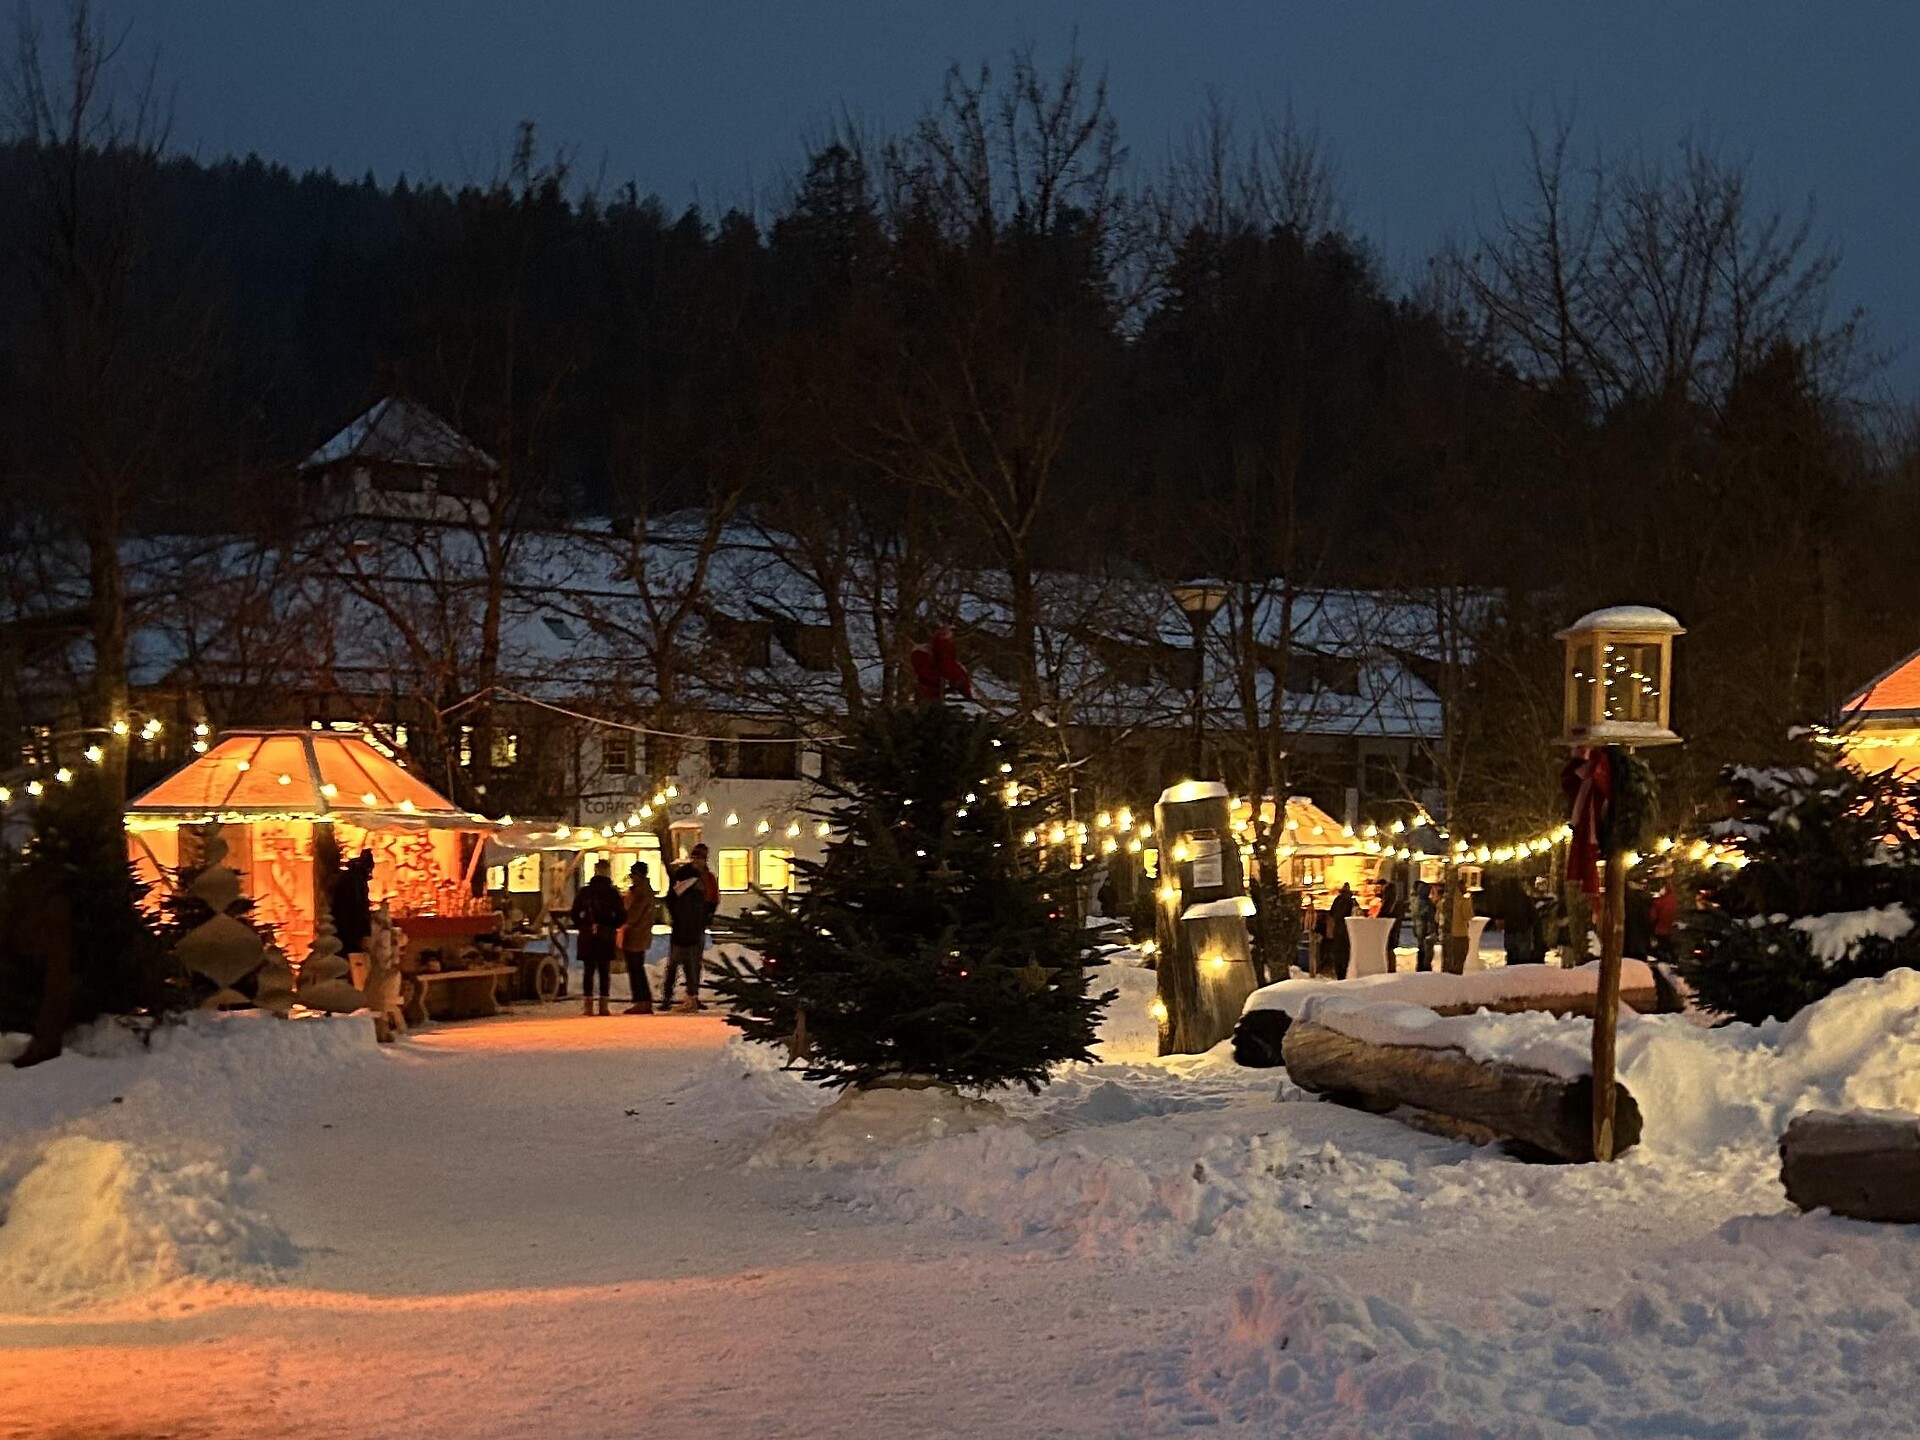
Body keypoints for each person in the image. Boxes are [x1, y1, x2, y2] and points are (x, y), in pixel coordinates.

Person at [660, 849, 715, 1011]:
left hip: (683, 928)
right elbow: (706, 904)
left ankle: (672, 998)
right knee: (688, 965)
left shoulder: (687, 882)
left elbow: (671, 901)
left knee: (677, 965)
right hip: (691, 929)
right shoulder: (697, 884)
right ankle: (690, 998)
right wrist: (704, 918)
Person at [571, 860, 625, 1016]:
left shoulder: (585, 892)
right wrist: (611, 925)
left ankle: (588, 1005)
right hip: (606, 935)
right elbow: (621, 915)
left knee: (588, 970)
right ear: (608, 872)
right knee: (604, 970)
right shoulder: (612, 893)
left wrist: (583, 924)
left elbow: (575, 913)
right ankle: (603, 1005)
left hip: (587, 934)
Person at [621, 860, 658, 1014]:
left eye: (633, 874)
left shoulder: (642, 892)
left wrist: (621, 918)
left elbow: (634, 915)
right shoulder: (640, 890)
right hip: (637, 935)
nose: (631, 877)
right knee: (636, 968)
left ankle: (641, 1000)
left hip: (636, 935)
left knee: (636, 968)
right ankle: (642, 1000)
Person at [331, 849, 376, 957]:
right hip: (350, 921)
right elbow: (360, 906)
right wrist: (365, 929)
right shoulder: (357, 880)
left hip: (343, 918)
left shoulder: (348, 877)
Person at [1326, 883, 1356, 980]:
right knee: (1346, 952)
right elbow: (1356, 914)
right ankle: (1345, 971)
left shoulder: (1337, 900)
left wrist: (1330, 931)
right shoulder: (1352, 902)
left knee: (1337, 952)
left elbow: (1332, 914)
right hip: (1348, 930)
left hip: (1338, 929)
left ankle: (1339, 973)